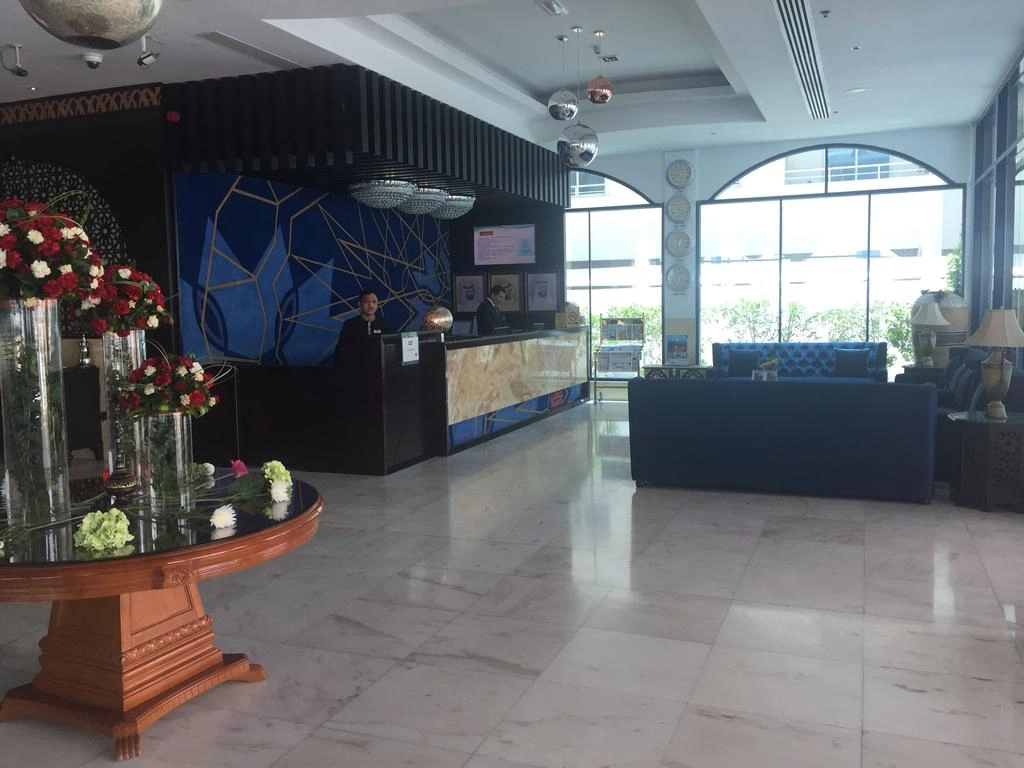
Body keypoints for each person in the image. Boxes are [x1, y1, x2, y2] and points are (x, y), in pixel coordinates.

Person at [334, 289, 396, 366]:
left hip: (380, 369)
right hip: (355, 369)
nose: (371, 305)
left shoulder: (386, 324)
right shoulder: (349, 324)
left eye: (374, 302)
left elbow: (393, 349)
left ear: (378, 303)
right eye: (367, 302)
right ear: (359, 304)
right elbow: (341, 352)